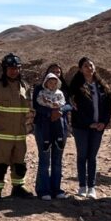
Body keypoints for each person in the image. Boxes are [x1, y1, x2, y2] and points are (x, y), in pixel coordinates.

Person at [0, 53, 33, 201]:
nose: (14, 71)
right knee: (0, 166)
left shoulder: (25, 86)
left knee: (19, 165)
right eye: (10, 68)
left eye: (16, 68)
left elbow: (28, 109)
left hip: (19, 136)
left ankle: (18, 188)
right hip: (1, 136)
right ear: (4, 69)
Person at [67, 57, 111, 199]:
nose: (89, 68)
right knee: (82, 156)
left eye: (91, 65)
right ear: (80, 69)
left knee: (92, 157)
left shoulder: (102, 87)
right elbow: (75, 109)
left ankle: (92, 187)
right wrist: (88, 123)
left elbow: (107, 107)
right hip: (81, 128)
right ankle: (82, 186)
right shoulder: (76, 88)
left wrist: (103, 122)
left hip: (98, 127)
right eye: (86, 66)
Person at [32, 72, 71, 200]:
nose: (53, 84)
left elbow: (67, 104)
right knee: (44, 159)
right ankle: (44, 190)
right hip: (44, 127)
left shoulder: (61, 92)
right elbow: (37, 104)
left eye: (55, 81)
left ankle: (56, 189)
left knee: (57, 160)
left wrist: (59, 110)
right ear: (46, 82)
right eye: (50, 82)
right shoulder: (41, 92)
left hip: (59, 127)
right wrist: (50, 112)